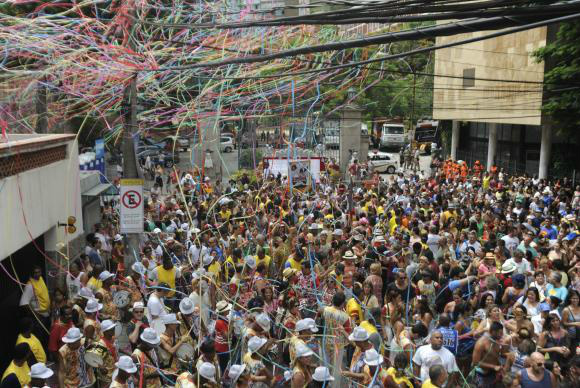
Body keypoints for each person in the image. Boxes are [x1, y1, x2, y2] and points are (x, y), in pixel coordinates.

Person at [472, 321, 504, 387]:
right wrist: (494, 367)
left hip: (492, 373)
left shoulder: (496, 340)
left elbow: (495, 356)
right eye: (500, 333)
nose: (502, 335)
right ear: (493, 332)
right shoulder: (481, 343)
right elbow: (475, 362)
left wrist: (499, 366)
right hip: (482, 374)